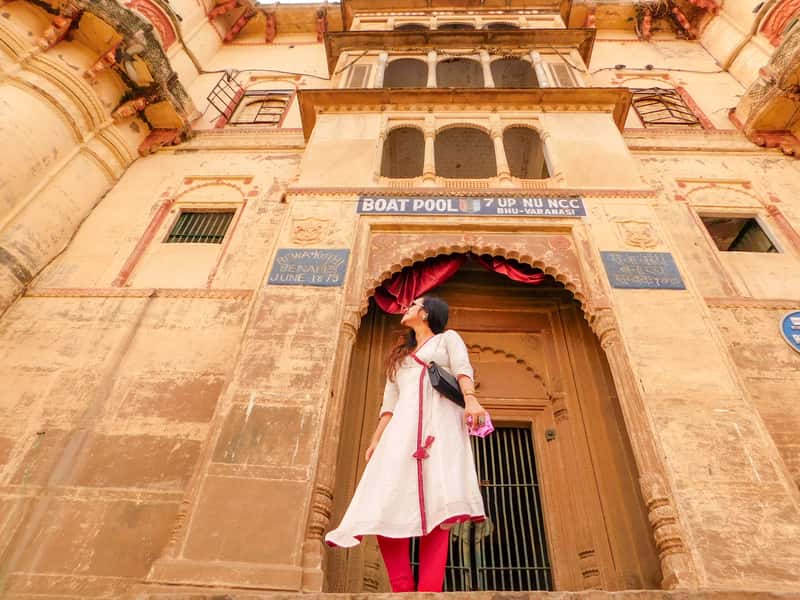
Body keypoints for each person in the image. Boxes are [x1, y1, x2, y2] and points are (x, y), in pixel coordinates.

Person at [325, 295, 488, 592]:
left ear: (426, 314)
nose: (406, 308)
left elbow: (463, 369)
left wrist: (472, 401)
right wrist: (375, 441)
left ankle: (428, 591)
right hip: (400, 431)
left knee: (440, 505)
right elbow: (389, 405)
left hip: (440, 428)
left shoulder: (447, 340)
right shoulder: (399, 358)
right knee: (383, 503)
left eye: (413, 305)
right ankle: (402, 589)